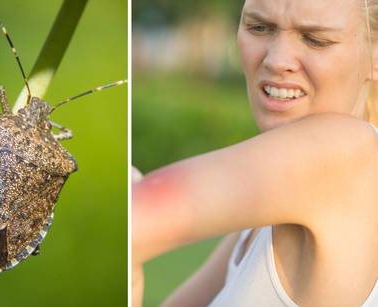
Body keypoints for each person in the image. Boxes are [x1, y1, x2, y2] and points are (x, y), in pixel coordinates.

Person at [132, 0, 378, 306]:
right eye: (259, 27)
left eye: (316, 39)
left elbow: (131, 219)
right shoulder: (265, 215)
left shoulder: (344, 149)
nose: (277, 60)